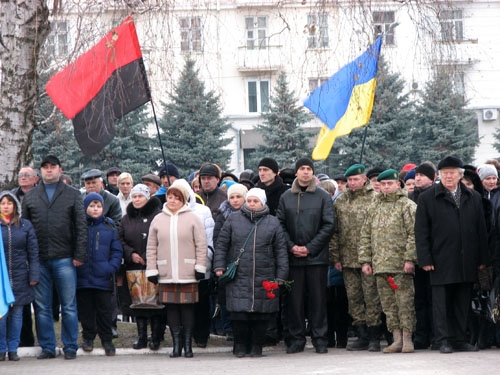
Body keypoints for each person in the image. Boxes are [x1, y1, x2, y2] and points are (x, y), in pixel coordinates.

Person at [415, 155, 489, 354]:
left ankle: (459, 339)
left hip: (466, 259)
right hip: (439, 260)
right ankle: (442, 340)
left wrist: (482, 258)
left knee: (462, 301)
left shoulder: (472, 197)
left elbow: (480, 229)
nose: (448, 177)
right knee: (441, 303)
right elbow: (421, 232)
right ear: (439, 175)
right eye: (444, 173)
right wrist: (425, 258)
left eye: (452, 173)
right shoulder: (427, 197)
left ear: (459, 175)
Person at [22, 155, 87, 360]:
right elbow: (25, 229)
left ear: (60, 169)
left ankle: (69, 346)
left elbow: (81, 227)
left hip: (65, 258)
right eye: (45, 167)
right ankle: (48, 347)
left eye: (52, 167)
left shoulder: (73, 194)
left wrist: (79, 254)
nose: (48, 171)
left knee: (68, 305)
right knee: (42, 307)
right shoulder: (30, 196)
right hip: (39, 260)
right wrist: (28, 259)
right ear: (40, 172)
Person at [214, 188, 288, 357]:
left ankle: (256, 346)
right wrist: (219, 266)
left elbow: (281, 251)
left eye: (256, 201)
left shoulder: (273, 222)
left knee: (261, 314)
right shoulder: (233, 219)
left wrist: (281, 275)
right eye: (250, 201)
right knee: (239, 313)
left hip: (265, 274)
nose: (252, 204)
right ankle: (240, 345)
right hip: (239, 275)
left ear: (263, 203)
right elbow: (222, 244)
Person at [276, 157, 335, 354]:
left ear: (313, 173)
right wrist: (292, 246)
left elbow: (328, 225)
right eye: (302, 168)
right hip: (293, 259)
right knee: (295, 302)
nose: (306, 172)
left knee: (318, 301)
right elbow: (280, 225)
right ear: (296, 172)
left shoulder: (323, 197)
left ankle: (320, 339)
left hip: (316, 258)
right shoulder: (286, 197)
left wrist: (309, 248)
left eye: (309, 169)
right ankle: (296, 339)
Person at [146, 180, 207, 358]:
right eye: (170, 197)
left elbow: (201, 245)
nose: (172, 200)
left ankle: (188, 345)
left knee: (187, 309)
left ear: (184, 200)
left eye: (177, 198)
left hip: (188, 271)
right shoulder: (158, 219)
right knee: (171, 309)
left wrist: (200, 266)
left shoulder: (193, 218)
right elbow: (151, 247)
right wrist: (152, 270)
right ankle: (176, 345)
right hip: (166, 272)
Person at [359, 169, 417, 353]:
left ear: (397, 185)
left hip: (400, 265)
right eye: (382, 184)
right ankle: (396, 339)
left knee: (404, 302)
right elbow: (365, 235)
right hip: (380, 264)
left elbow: (413, 234)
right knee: (388, 305)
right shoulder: (374, 207)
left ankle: (408, 339)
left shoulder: (407, 206)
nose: (386, 187)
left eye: (389, 184)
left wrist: (410, 259)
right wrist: (365, 260)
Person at [330, 163, 382, 351]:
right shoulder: (341, 201)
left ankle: (375, 335)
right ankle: (362, 335)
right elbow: (334, 231)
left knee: (371, 297)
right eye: (349, 180)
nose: (352, 183)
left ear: (364, 179)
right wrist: (335, 256)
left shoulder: (376, 199)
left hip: (369, 258)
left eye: (355, 179)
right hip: (347, 258)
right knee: (354, 299)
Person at [118, 184, 164, 350]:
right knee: (138, 303)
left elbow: (161, 236)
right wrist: (131, 254)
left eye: (140, 196)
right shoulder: (126, 218)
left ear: (147, 197)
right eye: (134, 196)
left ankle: (157, 336)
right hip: (133, 267)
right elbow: (120, 239)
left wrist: (147, 255)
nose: (137, 199)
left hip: (154, 265)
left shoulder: (158, 215)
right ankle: (142, 336)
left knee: (155, 303)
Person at [77, 193, 122, 356]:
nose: (95, 209)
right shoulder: (79, 226)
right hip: (83, 277)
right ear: (85, 208)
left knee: (105, 311)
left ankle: (107, 340)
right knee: (86, 311)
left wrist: (111, 267)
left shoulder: (109, 227)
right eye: (92, 206)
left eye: (98, 206)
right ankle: (88, 338)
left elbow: (117, 250)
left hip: (103, 278)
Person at [0, 192, 39, 361]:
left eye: (9, 203)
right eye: (2, 203)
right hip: (1, 281)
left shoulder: (25, 225)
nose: (6, 206)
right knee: (2, 317)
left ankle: (13, 348)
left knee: (17, 315)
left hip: (21, 276)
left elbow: (33, 252)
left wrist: (34, 274)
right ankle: (1, 349)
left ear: (15, 205)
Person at [408, 162, 436, 349]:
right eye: (416, 175)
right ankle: (421, 335)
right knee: (418, 299)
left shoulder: (437, 196)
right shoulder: (410, 198)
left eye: (422, 175)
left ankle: (436, 335)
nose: (417, 178)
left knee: (434, 298)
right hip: (415, 255)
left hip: (434, 256)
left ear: (432, 178)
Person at [11, 166, 39, 348]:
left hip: (35, 249)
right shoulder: (12, 196)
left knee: (33, 302)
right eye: (20, 175)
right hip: (14, 254)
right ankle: (16, 340)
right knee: (16, 304)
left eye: (27, 175)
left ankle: (29, 339)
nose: (23, 178)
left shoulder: (40, 195)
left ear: (36, 178)